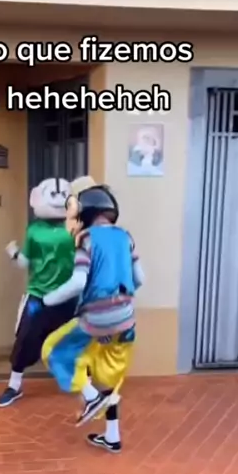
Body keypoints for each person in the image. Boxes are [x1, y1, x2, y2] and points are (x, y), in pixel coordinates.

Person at [41, 184, 145, 453]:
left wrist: (48, 299)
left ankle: (89, 397)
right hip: (126, 321)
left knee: (54, 350)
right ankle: (112, 436)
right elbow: (140, 279)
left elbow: (78, 282)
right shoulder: (126, 237)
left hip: (96, 320)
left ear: (86, 211)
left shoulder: (86, 238)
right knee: (108, 379)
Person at [0, 177, 77, 408]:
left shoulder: (75, 228)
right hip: (39, 296)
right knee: (25, 339)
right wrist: (14, 253)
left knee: (76, 337)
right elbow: (25, 262)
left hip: (68, 295)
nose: (58, 199)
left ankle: (85, 383)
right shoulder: (35, 230)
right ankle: (14, 385)